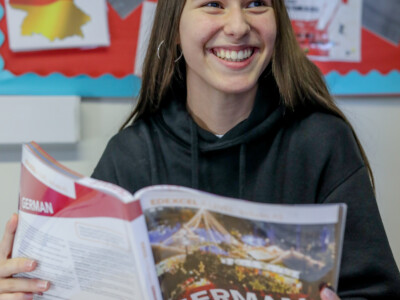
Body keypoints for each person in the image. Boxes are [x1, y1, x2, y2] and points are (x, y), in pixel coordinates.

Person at [1, 0, 399, 299]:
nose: (239, 25)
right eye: (213, 4)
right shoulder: (130, 155)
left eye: (256, 3)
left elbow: (376, 291)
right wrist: (25, 287)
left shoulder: (321, 143)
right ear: (175, 26)